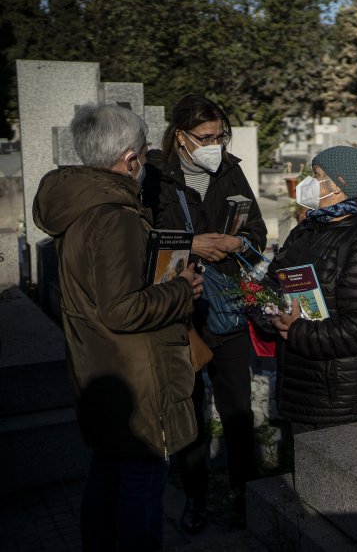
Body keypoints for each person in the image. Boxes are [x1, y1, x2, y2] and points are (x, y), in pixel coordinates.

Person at [33, 104, 203, 551]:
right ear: (131, 159)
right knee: (139, 494)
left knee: (107, 477)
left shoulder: (78, 208)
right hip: (138, 381)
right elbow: (122, 309)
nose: (145, 163)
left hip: (100, 370)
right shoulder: (116, 216)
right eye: (145, 154)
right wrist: (183, 288)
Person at [143, 94, 266, 533]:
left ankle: (245, 494)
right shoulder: (154, 175)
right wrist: (193, 244)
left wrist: (235, 243)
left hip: (226, 307)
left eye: (221, 135)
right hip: (179, 312)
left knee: (237, 409)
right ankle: (194, 497)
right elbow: (142, 239)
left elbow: (257, 231)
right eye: (205, 137)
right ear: (181, 136)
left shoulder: (230, 168)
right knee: (188, 409)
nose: (215, 144)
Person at [268, 145, 357, 432]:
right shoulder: (306, 230)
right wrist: (268, 307)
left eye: (316, 175)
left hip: (335, 392)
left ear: (338, 186)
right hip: (300, 380)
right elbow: (276, 277)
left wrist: (297, 331)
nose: (307, 182)